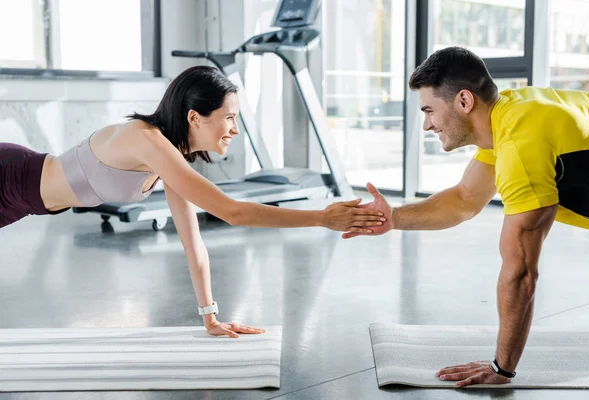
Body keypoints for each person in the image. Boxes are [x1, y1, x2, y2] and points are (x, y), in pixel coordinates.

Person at [0, 65, 387, 338]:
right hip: (8, 176)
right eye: (229, 118)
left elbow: (193, 243)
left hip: (21, 201)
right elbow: (231, 211)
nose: (235, 129)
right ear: (195, 117)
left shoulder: (168, 157)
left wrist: (211, 318)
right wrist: (320, 218)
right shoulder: (144, 139)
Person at [343, 46, 589, 387]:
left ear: (464, 101)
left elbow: (521, 272)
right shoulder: (510, 117)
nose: (426, 124)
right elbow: (465, 199)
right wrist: (394, 217)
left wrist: (501, 368)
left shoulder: (522, 142)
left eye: (430, 110)